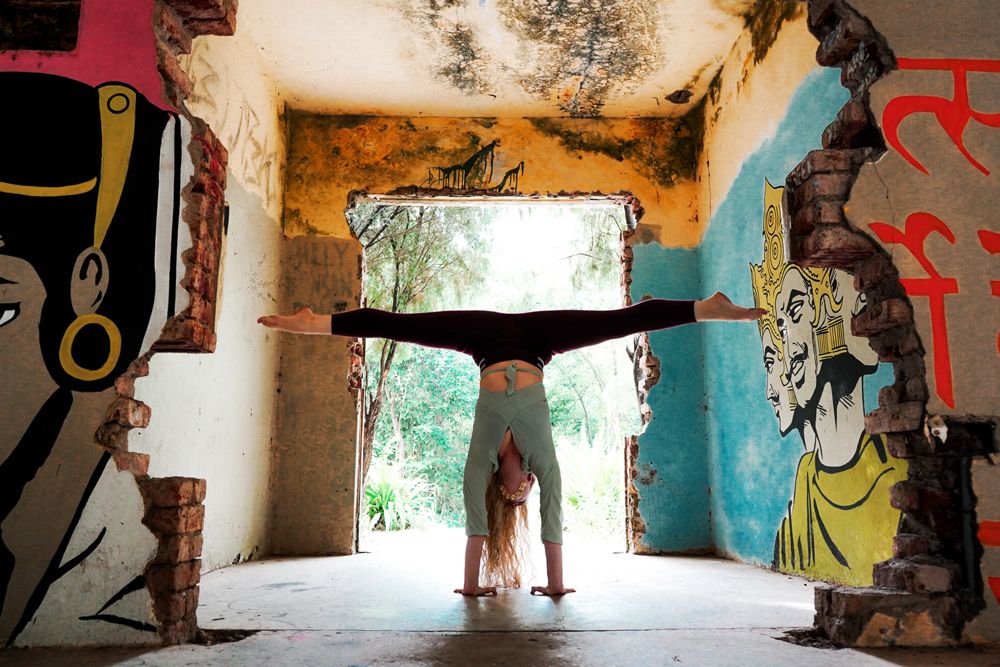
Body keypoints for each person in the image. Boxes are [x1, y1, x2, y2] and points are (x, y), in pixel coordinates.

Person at [259, 292, 764, 596]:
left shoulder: (480, 464)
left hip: (482, 341)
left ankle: (311, 322)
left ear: (503, 488)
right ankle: (706, 309)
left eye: (515, 491)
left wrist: (474, 585)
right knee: (619, 320)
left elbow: (476, 527)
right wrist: (557, 584)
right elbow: (555, 519)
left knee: (399, 326)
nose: (522, 485)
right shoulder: (543, 460)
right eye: (527, 489)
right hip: (539, 342)